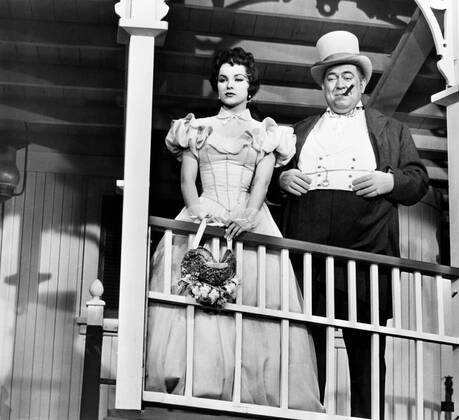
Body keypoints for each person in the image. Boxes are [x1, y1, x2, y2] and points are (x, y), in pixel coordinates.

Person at [144, 47, 323, 412]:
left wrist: (248, 214)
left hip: (247, 217)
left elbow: (261, 182)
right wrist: (197, 213)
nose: (230, 85)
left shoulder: (267, 133)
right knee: (195, 302)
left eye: (238, 79)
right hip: (203, 214)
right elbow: (187, 181)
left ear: (250, 87)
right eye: (224, 78)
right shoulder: (196, 128)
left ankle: (253, 390)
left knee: (258, 303)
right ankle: (200, 383)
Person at [276, 31, 429, 418]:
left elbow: (418, 181)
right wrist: (282, 180)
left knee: (367, 356)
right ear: (322, 85)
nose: (340, 85)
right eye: (331, 77)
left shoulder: (391, 131)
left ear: (362, 83)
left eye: (348, 77)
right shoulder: (298, 132)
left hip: (366, 261)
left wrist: (389, 180)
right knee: (306, 354)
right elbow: (267, 180)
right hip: (307, 262)